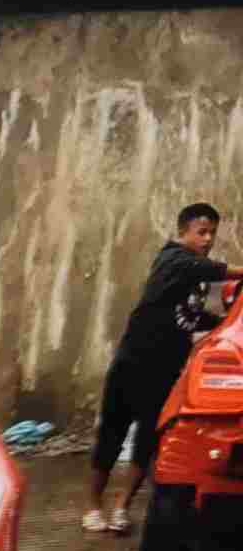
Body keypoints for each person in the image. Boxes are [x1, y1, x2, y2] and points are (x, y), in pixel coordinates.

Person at [85, 203, 243, 533]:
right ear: (183, 232)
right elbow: (211, 269)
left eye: (212, 233)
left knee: (147, 440)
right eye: (201, 232)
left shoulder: (197, 280)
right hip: (133, 361)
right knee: (111, 435)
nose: (208, 239)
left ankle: (121, 508)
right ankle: (93, 507)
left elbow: (192, 317)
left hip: (165, 369)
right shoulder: (172, 259)